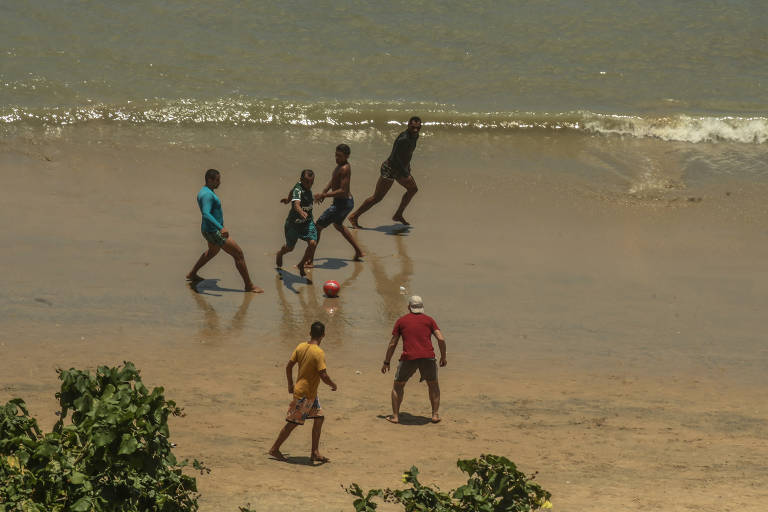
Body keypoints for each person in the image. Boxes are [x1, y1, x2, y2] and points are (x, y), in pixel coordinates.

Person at [269, 321, 338, 463]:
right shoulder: (318, 352)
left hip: (310, 394)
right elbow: (323, 375)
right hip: (305, 395)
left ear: (310, 333)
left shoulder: (301, 346)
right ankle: (274, 449)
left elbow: (289, 367)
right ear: (323, 335)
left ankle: (315, 452)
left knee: (319, 418)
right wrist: (333, 385)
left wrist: (290, 384)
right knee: (292, 423)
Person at [186, 169, 263, 293]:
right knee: (238, 254)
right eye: (217, 180)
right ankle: (249, 285)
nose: (219, 182)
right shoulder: (207, 195)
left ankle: (192, 274)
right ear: (209, 180)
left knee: (212, 252)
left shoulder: (205, 191)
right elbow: (205, 213)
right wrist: (220, 227)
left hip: (207, 229)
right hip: (214, 231)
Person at [381, 295, 447, 424]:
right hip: (428, 357)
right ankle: (435, 415)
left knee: (398, 385)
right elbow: (441, 339)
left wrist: (386, 361)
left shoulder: (401, 321)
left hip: (408, 357)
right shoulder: (429, 320)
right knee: (433, 384)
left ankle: (395, 416)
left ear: (409, 307)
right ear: (422, 307)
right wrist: (443, 356)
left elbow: (392, 343)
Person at [348, 116, 422, 228]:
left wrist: (408, 166)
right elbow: (395, 157)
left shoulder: (415, 136)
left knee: (413, 189)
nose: (416, 130)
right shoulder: (404, 139)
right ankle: (354, 216)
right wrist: (405, 173)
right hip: (390, 169)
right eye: (413, 127)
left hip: (401, 169)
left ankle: (398, 214)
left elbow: (407, 153)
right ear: (408, 125)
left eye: (418, 127)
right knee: (377, 198)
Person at [311, 144, 364, 264]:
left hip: (342, 203)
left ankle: (310, 259)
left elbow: (342, 191)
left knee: (317, 227)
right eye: (336, 155)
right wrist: (325, 190)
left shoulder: (345, 168)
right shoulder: (339, 166)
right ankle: (359, 251)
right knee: (338, 225)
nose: (336, 158)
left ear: (347, 156)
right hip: (346, 202)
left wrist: (324, 195)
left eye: (339, 156)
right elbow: (334, 179)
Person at [276, 169, 317, 281]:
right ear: (301, 180)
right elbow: (296, 205)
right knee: (290, 248)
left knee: (313, 243)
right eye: (307, 182)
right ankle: (280, 253)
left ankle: (301, 264)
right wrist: (300, 211)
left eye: (311, 183)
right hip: (293, 225)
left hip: (307, 222)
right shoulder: (298, 189)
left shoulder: (300, 187)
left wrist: (288, 199)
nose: (309, 185)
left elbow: (291, 191)